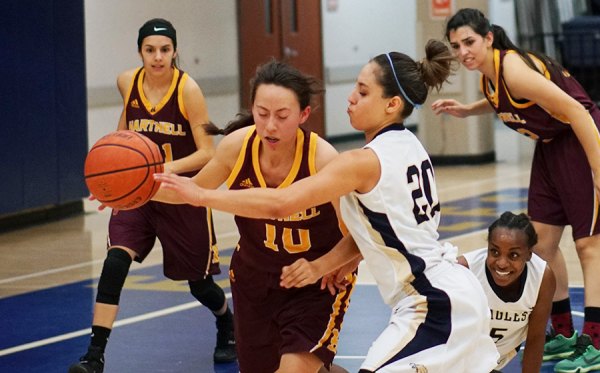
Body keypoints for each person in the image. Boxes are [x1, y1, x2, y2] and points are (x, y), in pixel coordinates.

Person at [154, 40, 500, 372]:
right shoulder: (409, 145)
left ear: (392, 104)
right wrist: (328, 263)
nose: (350, 98)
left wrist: (202, 196)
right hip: (444, 292)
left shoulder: (358, 162)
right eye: (355, 87)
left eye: (363, 92)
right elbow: (372, 232)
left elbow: (281, 203)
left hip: (431, 301)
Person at [155, 59, 356, 373]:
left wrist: (324, 266)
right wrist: (130, 195)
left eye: (282, 115)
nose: (270, 125)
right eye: (262, 114)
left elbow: (359, 235)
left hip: (314, 285)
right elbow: (189, 192)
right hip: (253, 279)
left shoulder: (323, 159)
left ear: (304, 115)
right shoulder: (237, 148)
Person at [430, 8, 600, 372]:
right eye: (456, 46)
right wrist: (467, 111)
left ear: (489, 37)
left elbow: (577, 110)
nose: (463, 52)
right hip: (550, 146)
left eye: (469, 42)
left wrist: (599, 168)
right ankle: (565, 334)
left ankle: (595, 344)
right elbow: (503, 101)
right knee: (542, 245)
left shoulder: (512, 68)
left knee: (589, 244)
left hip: (578, 139)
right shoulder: (489, 79)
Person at [69, 18, 235, 373]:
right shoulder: (127, 82)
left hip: (180, 192)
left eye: (165, 50)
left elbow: (207, 151)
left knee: (199, 284)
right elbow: (123, 135)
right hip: (140, 194)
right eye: (150, 50)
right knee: (115, 263)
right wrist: (111, 179)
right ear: (140, 51)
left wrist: (161, 171)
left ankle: (226, 323)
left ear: (175, 52)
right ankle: (94, 354)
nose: (157, 57)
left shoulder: (188, 90)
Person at [457, 211, 555, 372]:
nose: (502, 263)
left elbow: (535, 339)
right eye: (494, 252)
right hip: (453, 361)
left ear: (529, 254)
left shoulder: (542, 278)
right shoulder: (464, 270)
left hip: (492, 361)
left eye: (513, 255)